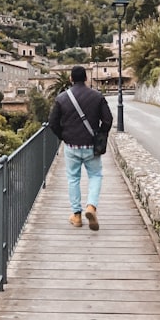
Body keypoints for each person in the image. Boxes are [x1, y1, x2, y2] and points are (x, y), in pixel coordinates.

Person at [48, 65, 113, 231]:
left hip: (71, 146)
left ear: (71, 79)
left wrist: (63, 136)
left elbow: (53, 123)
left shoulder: (61, 98)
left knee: (73, 178)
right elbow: (108, 119)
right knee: (96, 175)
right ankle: (91, 207)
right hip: (91, 146)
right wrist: (100, 134)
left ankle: (76, 216)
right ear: (86, 78)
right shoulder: (97, 96)